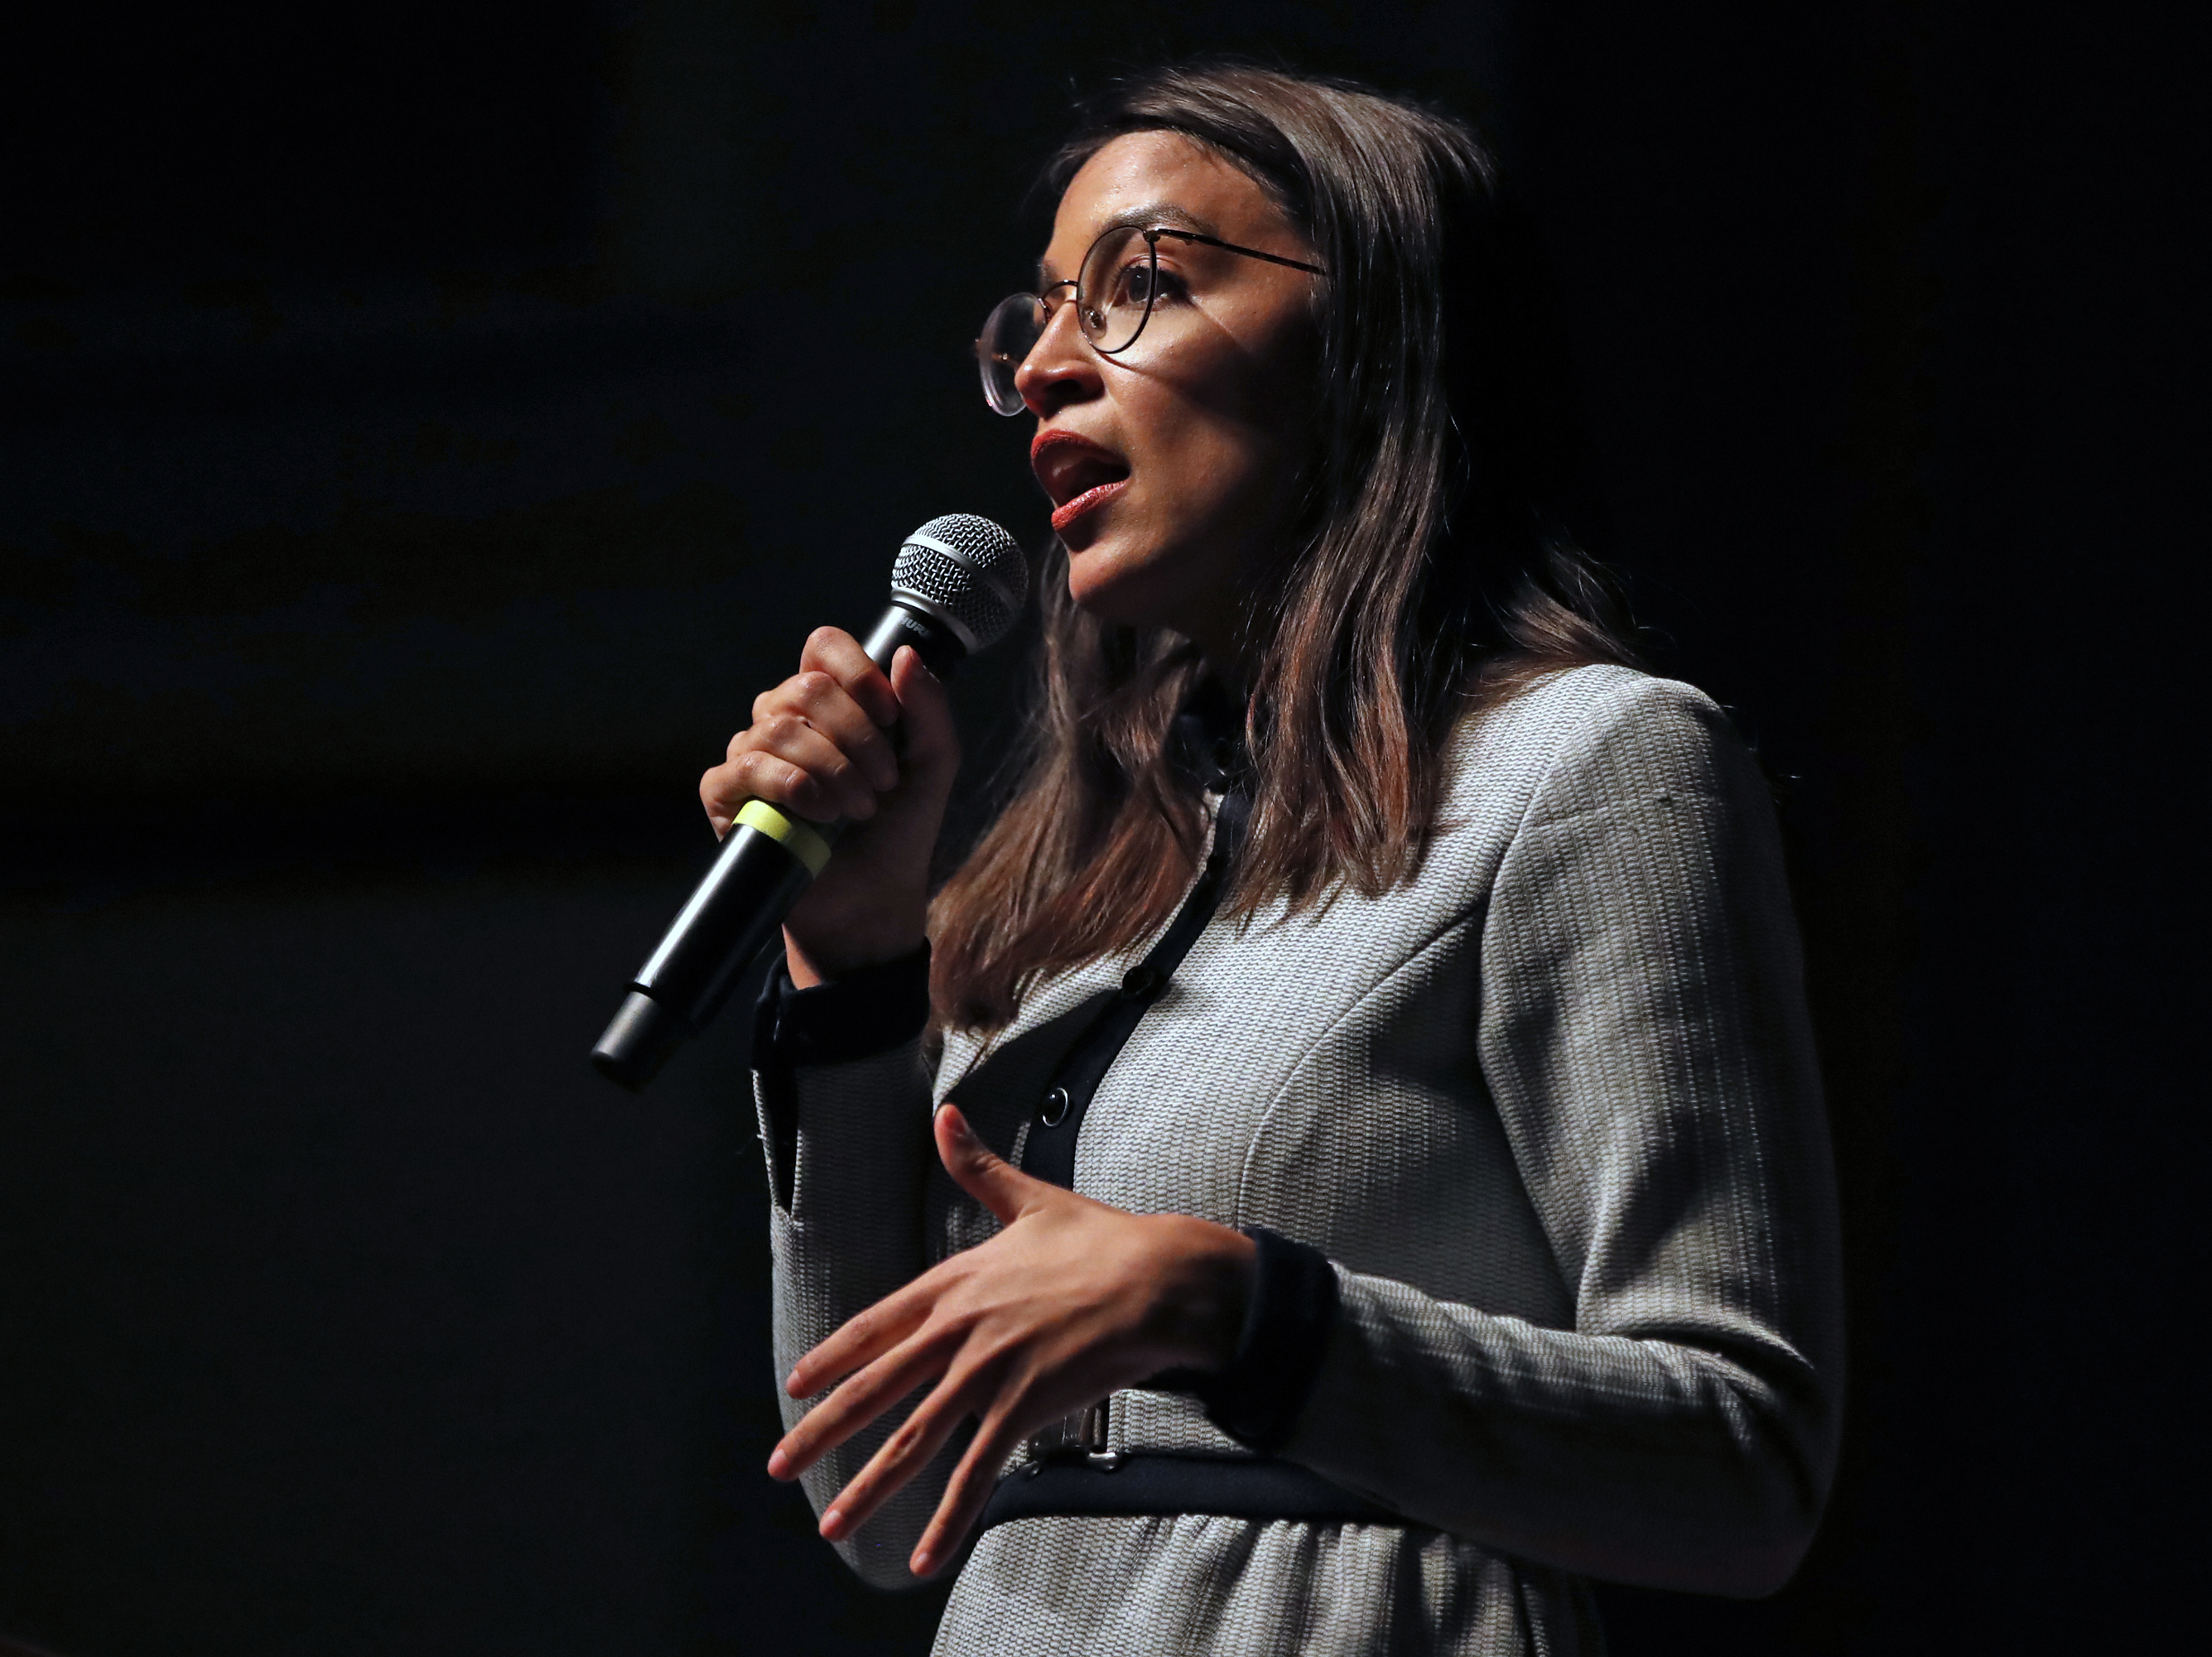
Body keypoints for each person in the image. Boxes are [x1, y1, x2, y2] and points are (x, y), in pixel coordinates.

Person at [705, 63, 1843, 1655]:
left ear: (1371, 343)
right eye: (1030, 319)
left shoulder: (1589, 764)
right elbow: (879, 1505)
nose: (1041, 368)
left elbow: (1745, 1465)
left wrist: (1237, 1309)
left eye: (1140, 288)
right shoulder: (1048, 891)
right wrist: (855, 941)